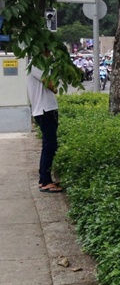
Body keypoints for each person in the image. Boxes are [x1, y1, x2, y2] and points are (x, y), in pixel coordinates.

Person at [27, 51, 62, 193]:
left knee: (48, 145)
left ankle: (45, 179)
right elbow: (52, 86)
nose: (50, 53)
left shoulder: (41, 65)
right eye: (48, 50)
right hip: (44, 110)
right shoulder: (36, 64)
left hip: (47, 110)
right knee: (50, 145)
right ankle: (45, 180)